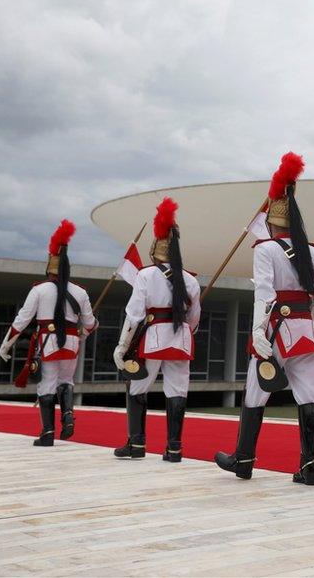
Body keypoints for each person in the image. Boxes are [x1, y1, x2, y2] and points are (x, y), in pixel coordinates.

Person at [215, 152, 314, 486]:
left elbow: (264, 294)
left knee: (256, 390)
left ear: (271, 223)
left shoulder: (265, 250)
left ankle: (243, 460)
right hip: (305, 331)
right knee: (310, 394)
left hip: (275, 330)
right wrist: (309, 320)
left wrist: (258, 331)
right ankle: (309, 467)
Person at [113, 197, 201, 462]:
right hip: (181, 340)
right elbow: (194, 319)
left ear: (155, 250)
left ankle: (136, 444)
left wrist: (122, 346)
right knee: (177, 391)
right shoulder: (191, 280)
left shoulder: (145, 275)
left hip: (152, 338)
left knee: (138, 386)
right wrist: (185, 333)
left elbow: (134, 315)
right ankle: (174, 448)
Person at [0, 220, 97, 446]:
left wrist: (6, 344)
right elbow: (90, 323)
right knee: (67, 380)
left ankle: (48, 432)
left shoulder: (39, 290)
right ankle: (68, 416)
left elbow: (22, 320)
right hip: (71, 343)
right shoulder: (81, 292)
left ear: (49, 267)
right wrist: (83, 334)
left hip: (49, 342)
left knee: (47, 384)